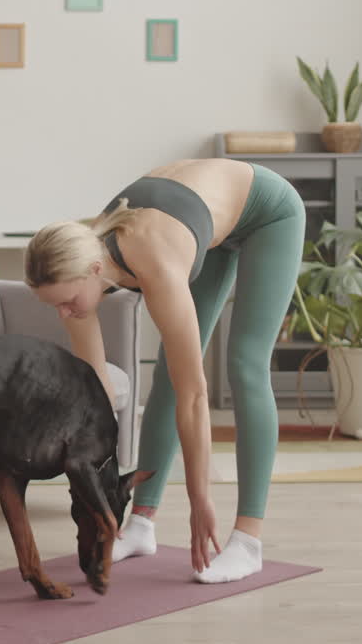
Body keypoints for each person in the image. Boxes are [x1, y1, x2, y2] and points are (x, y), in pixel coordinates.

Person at [24, 158, 304, 583]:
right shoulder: (77, 262)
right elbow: (95, 392)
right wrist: (100, 487)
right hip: (201, 221)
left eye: (67, 302)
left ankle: (248, 541)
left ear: (96, 272)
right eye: (56, 305)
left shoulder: (155, 260)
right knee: (167, 374)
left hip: (268, 213)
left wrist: (199, 499)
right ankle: (140, 525)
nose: (64, 313)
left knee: (245, 366)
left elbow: (195, 395)